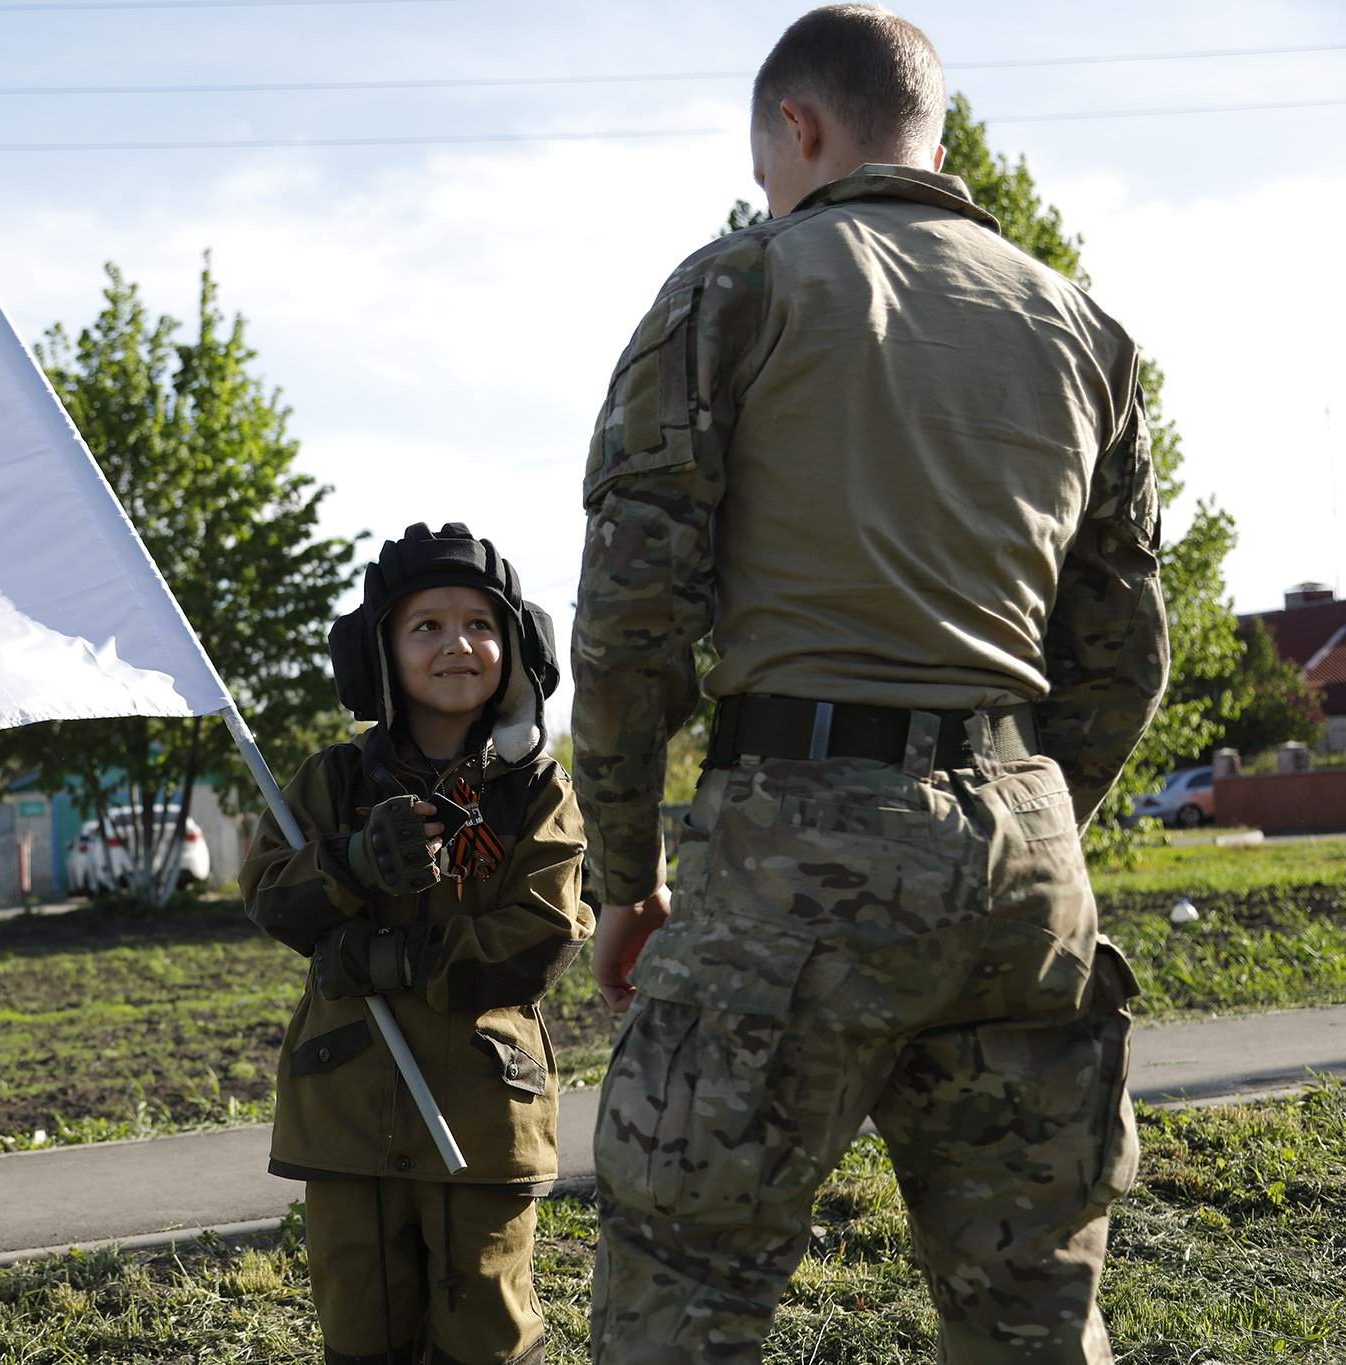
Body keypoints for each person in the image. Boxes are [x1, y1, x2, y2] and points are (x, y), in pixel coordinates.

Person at [571, 7, 1169, 1363]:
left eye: (770, 162)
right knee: (1034, 1313)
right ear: (936, 137)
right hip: (1027, 874)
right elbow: (1125, 649)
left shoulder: (739, 286)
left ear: (799, 127)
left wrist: (623, 876)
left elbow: (630, 623)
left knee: (684, 1282)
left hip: (795, 853)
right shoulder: (1084, 332)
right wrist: (1027, 809)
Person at [240, 522, 593, 1365]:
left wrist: (399, 960)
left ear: (516, 644)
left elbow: (543, 934)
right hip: (347, 1108)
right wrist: (352, 861)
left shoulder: (540, 792)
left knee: (487, 1336)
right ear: (380, 651)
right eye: (425, 626)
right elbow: (269, 896)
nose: (457, 644)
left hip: (483, 1110)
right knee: (364, 1336)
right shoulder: (331, 782)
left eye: (479, 623)